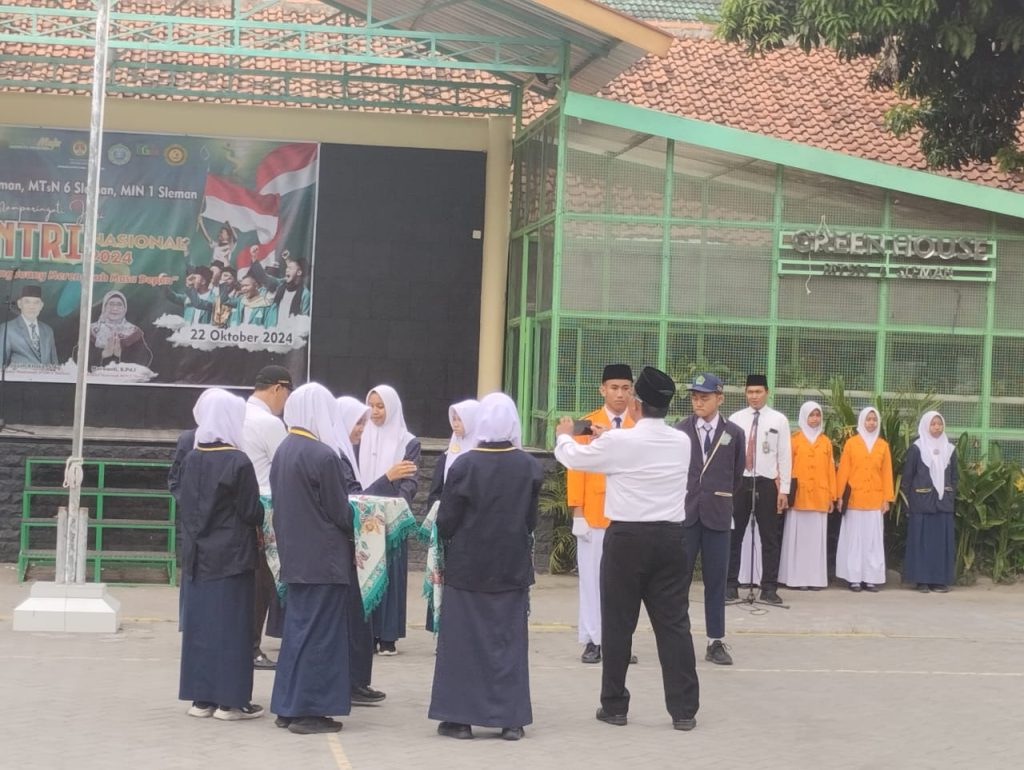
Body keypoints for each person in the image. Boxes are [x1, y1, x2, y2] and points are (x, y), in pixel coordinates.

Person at [554, 366, 700, 732]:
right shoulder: (681, 441)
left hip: (627, 539)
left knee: (618, 623)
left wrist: (564, 437)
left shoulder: (620, 442)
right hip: (671, 538)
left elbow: (574, 458)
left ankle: (614, 705)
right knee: (674, 625)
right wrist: (609, 437)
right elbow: (636, 448)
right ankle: (684, 710)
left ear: (636, 403)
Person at [428, 392, 542, 741]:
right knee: (507, 643)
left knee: (463, 644)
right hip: (510, 568)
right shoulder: (529, 466)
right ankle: (510, 720)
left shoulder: (464, 465)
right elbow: (530, 521)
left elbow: (447, 521)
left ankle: (461, 720)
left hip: (468, 568)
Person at [270, 383, 353, 735]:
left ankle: (287, 706)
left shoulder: (284, 449)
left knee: (297, 634)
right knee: (320, 637)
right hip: (324, 560)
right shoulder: (323, 455)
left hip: (296, 557)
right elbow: (340, 512)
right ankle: (309, 711)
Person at [178, 388, 265, 721]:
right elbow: (250, 510)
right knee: (232, 629)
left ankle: (202, 700)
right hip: (231, 557)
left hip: (197, 556)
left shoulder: (192, 458)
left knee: (200, 628)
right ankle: (231, 702)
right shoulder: (238, 461)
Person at [566, 364, 635, 665]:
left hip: (629, 515)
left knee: (626, 584)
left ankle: (620, 641)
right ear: (602, 390)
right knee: (592, 581)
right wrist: (577, 511)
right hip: (594, 513)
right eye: (614, 388)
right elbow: (575, 467)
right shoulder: (587, 424)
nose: (620, 394)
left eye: (625, 388)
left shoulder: (637, 426)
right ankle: (593, 639)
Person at [674, 372, 745, 666]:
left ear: (720, 398)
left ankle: (715, 640)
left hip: (718, 514)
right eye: (694, 397)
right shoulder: (681, 430)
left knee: (716, 581)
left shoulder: (734, 433)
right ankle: (677, 638)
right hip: (687, 514)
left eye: (704, 397)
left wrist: (718, 497)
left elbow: (737, 474)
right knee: (679, 580)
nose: (698, 402)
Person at [334, 394, 390, 706]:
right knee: (353, 616)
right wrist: (388, 479)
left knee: (359, 616)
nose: (361, 429)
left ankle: (358, 680)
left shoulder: (345, 454)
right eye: (357, 423)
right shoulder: (337, 457)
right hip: (343, 551)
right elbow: (355, 502)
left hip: (351, 551)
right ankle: (352, 681)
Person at [358, 384, 420, 656]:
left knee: (391, 576)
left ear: (392, 408)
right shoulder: (359, 437)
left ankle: (387, 636)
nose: (374, 412)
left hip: (391, 519)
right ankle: (366, 634)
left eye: (380, 406)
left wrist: (394, 504)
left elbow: (409, 482)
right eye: (371, 406)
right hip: (362, 516)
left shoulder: (408, 442)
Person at [241, 365, 292, 670]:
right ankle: (252, 647)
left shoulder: (237, 414)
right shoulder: (269, 423)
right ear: (277, 388)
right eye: (286, 394)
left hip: (239, 506)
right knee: (263, 581)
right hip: (265, 509)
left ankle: (242, 644)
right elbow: (286, 467)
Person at [727, 374, 792, 604]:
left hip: (766, 482)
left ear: (767, 392)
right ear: (745, 393)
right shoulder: (735, 418)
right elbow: (728, 452)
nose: (754, 396)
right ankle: (730, 585)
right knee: (733, 535)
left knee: (769, 538)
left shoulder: (779, 420)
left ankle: (769, 587)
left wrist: (784, 489)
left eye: (758, 392)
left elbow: (785, 455)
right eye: (750, 392)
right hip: (740, 482)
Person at [423, 399, 480, 632]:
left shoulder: (479, 457)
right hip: (447, 529)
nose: (455, 424)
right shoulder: (448, 455)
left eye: (460, 419)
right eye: (453, 419)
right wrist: (441, 511)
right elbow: (436, 491)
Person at [779, 401, 836, 591]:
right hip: (799, 495)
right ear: (804, 416)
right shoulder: (794, 440)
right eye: (811, 415)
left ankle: (815, 579)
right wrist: (784, 491)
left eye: (818, 415)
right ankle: (797, 578)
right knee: (798, 540)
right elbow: (786, 466)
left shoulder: (826, 441)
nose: (815, 419)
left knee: (815, 541)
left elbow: (830, 470)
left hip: (820, 495)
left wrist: (832, 496)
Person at [835, 406, 894, 593]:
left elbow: (887, 473)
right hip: (854, 499)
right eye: (868, 419)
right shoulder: (851, 444)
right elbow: (843, 471)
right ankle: (854, 578)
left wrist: (887, 498)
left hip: (875, 500)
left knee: (872, 541)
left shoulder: (883, 446)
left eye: (874, 419)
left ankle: (870, 578)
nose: (871, 423)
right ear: (862, 421)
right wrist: (839, 496)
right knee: (854, 540)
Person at [901, 411, 957, 593]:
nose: (937, 427)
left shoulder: (950, 449)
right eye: (933, 424)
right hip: (921, 503)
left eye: (939, 424)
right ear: (926, 426)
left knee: (940, 543)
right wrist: (907, 502)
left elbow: (954, 477)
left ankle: (939, 580)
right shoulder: (917, 448)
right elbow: (907, 477)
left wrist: (950, 496)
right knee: (921, 542)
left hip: (943, 504)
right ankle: (922, 580)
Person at [89, 290, 150, 368]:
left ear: (125, 309)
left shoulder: (133, 332)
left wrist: (121, 354)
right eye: (111, 304)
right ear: (104, 307)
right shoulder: (91, 330)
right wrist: (103, 354)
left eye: (119, 305)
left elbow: (145, 358)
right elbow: (78, 357)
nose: (115, 308)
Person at [1, 285, 58, 366]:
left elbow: (55, 364)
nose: (32, 307)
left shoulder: (48, 330)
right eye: (27, 302)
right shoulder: (7, 329)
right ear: (19, 304)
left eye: (36, 302)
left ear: (41, 306)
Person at [248, 255, 311, 325]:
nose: (287, 270)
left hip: (291, 330)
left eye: (290, 268)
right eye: (287, 268)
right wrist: (254, 258)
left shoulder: (305, 294)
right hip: (274, 330)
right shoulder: (279, 285)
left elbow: (304, 319)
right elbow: (264, 278)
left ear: (299, 272)